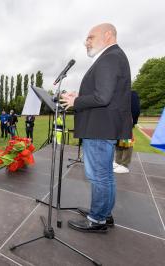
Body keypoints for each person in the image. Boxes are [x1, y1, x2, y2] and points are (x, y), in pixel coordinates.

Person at [61, 23, 132, 233]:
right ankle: (103, 213)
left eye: (91, 37)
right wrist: (79, 97)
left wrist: (76, 102)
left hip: (99, 128)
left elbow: (102, 97)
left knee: (98, 176)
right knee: (105, 175)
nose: (86, 42)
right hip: (104, 127)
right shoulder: (114, 56)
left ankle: (97, 219)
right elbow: (104, 94)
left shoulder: (109, 57)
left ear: (108, 35)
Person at [113, 90, 141, 173]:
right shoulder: (117, 93)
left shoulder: (132, 94)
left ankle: (125, 165)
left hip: (127, 120)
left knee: (126, 142)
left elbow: (136, 109)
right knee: (118, 142)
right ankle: (118, 162)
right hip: (117, 120)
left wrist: (133, 121)